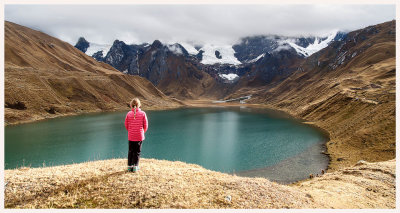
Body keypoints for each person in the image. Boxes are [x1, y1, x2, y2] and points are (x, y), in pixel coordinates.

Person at [124, 98, 148, 172]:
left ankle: (129, 167)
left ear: (131, 105)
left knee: (131, 151)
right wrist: (142, 132)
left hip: (131, 136)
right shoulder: (143, 113)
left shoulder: (128, 114)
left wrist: (130, 131)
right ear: (139, 105)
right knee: (137, 152)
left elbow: (126, 125)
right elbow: (146, 125)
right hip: (139, 136)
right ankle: (135, 167)